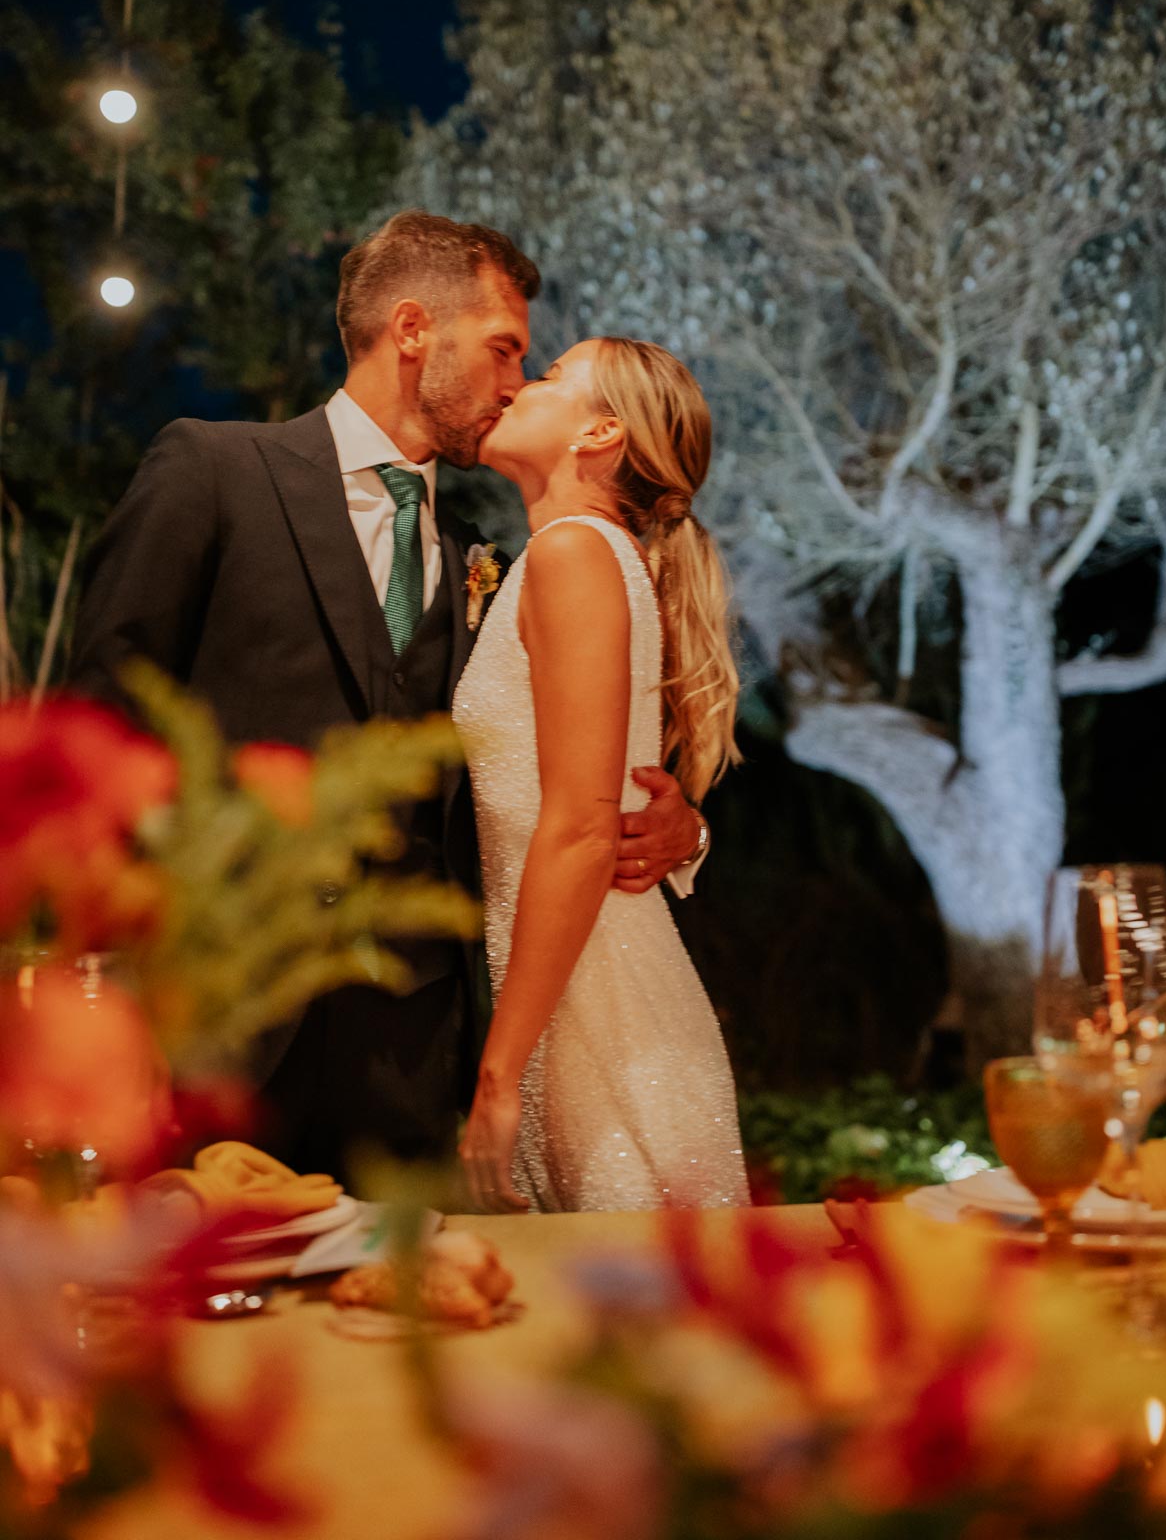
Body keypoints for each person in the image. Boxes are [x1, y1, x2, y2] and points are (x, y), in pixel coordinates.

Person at [69, 212, 706, 1180]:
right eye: (503, 350)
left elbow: (557, 771)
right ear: (413, 330)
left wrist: (681, 828)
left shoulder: (485, 566)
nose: (510, 382)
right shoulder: (213, 471)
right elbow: (91, 742)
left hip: (413, 1066)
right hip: (214, 1037)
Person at [453, 336, 750, 1211]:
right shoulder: (586, 556)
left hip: (604, 1014)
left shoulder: (573, 554)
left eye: (546, 377)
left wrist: (498, 1078)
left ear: (599, 434)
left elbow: (583, 827)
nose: (517, 387)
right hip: (573, 996)